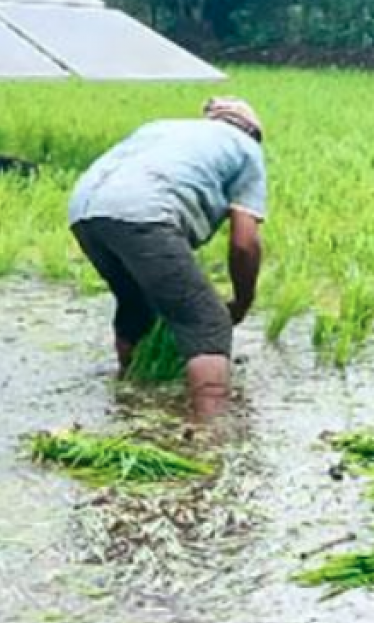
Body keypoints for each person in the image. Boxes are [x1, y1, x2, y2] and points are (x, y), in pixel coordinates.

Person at [68, 97, 267, 418]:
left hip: (84, 210)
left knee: (136, 304)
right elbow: (245, 243)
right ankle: (209, 430)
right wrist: (242, 302)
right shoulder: (247, 149)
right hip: (145, 212)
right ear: (253, 131)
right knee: (208, 321)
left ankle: (131, 400)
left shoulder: (161, 128)